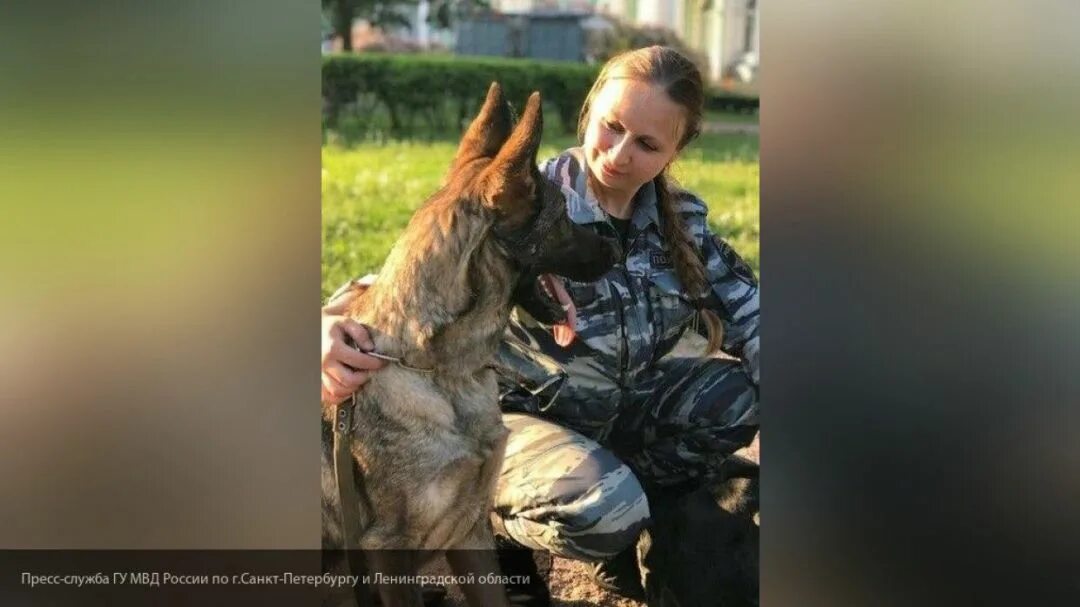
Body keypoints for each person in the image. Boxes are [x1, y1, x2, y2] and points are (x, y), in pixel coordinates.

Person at [322, 46, 759, 605]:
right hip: (514, 428)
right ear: (589, 112)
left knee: (737, 397)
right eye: (613, 127)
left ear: (678, 149)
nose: (621, 154)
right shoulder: (528, 200)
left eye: (647, 144)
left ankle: (656, 524)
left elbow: (755, 314)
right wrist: (320, 330)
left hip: (617, 420)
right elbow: (404, 280)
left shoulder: (683, 221)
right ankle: (506, 535)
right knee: (602, 507)